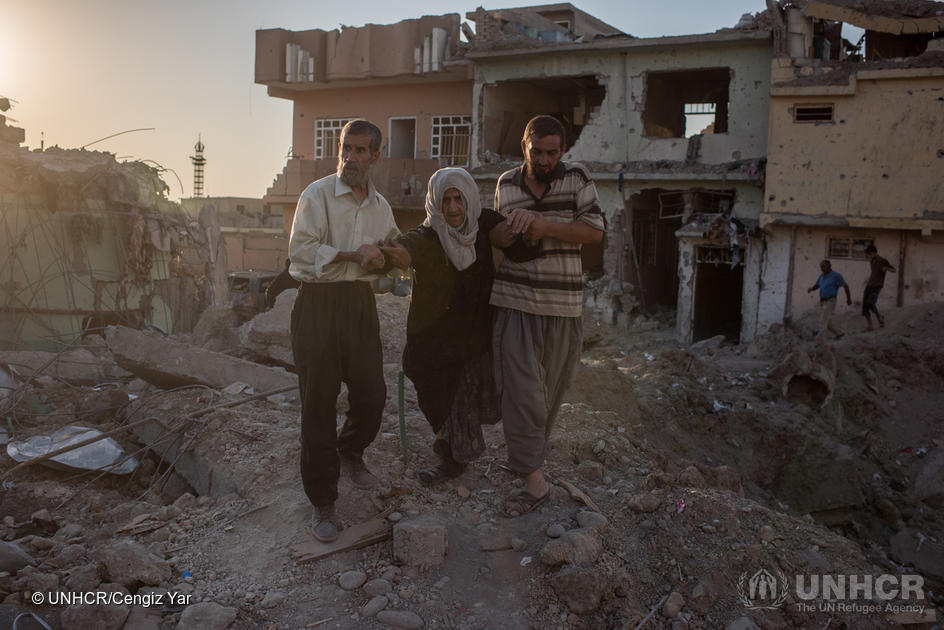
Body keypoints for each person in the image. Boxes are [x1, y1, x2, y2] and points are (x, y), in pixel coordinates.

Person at [487, 115, 605, 516]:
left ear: (563, 151)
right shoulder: (506, 184)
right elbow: (499, 241)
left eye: (551, 153)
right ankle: (533, 481)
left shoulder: (577, 178)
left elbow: (594, 232)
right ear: (524, 145)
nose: (543, 159)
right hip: (514, 301)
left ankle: (528, 460)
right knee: (521, 393)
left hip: (563, 305)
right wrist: (504, 233)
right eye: (536, 151)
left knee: (548, 396)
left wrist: (545, 225)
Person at [288, 119, 399, 543]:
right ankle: (323, 502)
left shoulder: (380, 207)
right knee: (317, 404)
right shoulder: (316, 194)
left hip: (358, 305)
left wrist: (390, 258)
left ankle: (350, 450)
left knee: (372, 393)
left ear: (375, 156)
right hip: (317, 304)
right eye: (345, 148)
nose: (350, 158)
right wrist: (357, 254)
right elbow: (300, 252)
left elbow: (390, 251)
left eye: (359, 151)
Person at [380, 168, 504, 485]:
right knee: (429, 388)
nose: (452, 208)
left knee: (460, 397)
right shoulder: (429, 234)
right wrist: (393, 255)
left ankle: (451, 459)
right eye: (445, 200)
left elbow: (512, 240)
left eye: (458, 199)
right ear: (435, 202)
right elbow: (408, 246)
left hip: (473, 337)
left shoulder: (486, 223)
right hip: (432, 338)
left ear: (469, 200)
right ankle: (452, 445)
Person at [807, 259, 852, 340]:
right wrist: (811, 289)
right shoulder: (821, 276)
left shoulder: (836, 276)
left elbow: (846, 286)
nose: (822, 268)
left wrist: (848, 299)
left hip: (831, 300)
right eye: (821, 267)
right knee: (827, 321)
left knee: (822, 320)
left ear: (829, 266)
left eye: (823, 266)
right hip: (822, 301)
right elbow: (817, 285)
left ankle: (819, 339)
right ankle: (839, 334)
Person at [862, 245, 895, 331]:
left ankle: (880, 317)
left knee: (871, 303)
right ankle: (870, 325)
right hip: (869, 285)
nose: (868, 257)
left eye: (869, 254)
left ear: (873, 253)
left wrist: (886, 268)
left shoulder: (883, 261)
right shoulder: (872, 260)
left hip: (877, 285)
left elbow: (894, 270)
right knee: (865, 307)